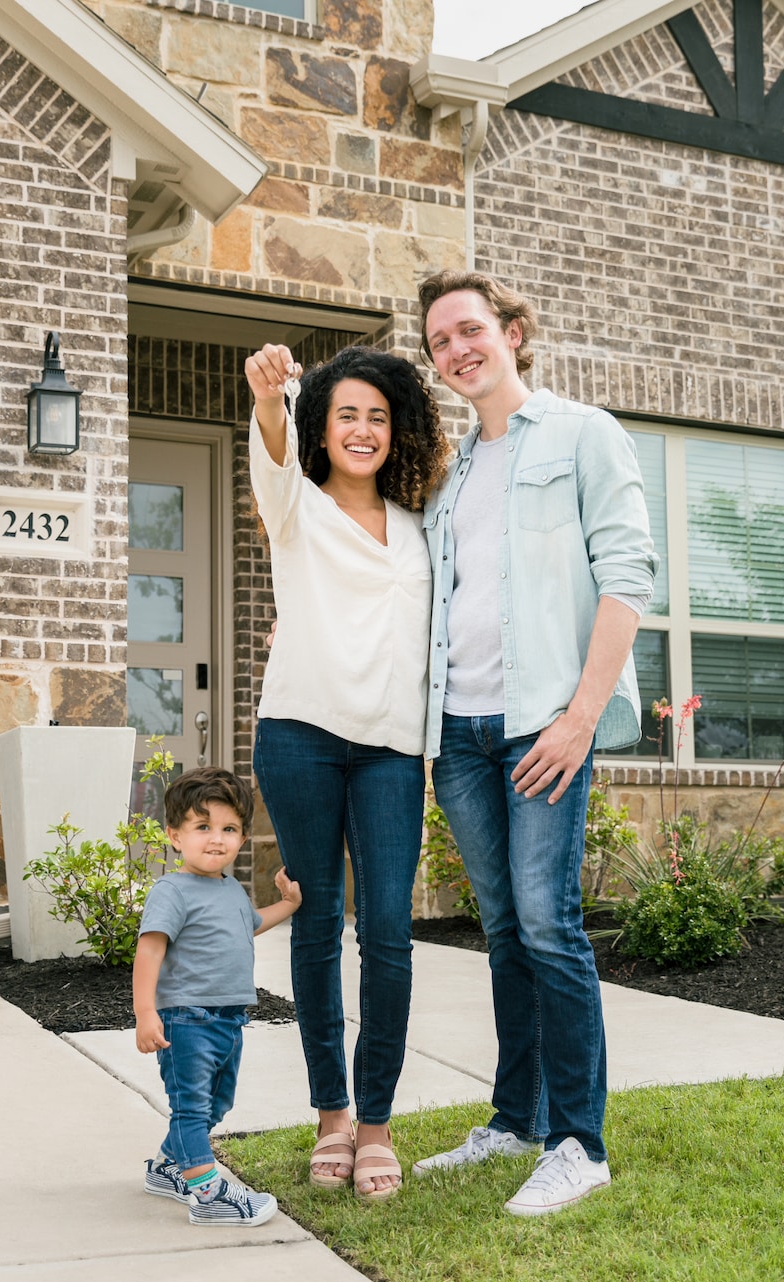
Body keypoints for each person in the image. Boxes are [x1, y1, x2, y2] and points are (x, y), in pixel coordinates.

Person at [409, 270, 656, 1217]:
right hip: (460, 733)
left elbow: (629, 572)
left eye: (469, 330)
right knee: (505, 929)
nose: (456, 350)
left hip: (545, 725)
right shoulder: (456, 471)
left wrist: (581, 714)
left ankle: (580, 1143)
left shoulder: (585, 434)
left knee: (551, 926)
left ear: (512, 332)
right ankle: (516, 1119)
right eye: (439, 341)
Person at [242, 343, 448, 1201]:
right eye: (345, 415)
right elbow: (271, 446)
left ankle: (377, 1126)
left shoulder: (418, 526)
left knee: (391, 934)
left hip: (393, 749)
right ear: (321, 430)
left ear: (394, 429)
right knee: (318, 924)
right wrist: (268, 396)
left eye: (377, 415)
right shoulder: (296, 507)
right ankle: (331, 1114)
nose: (361, 429)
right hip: (299, 735)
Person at [135, 766, 303, 1227]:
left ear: (243, 838)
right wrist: (146, 1011)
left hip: (228, 1020)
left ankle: (170, 1168)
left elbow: (250, 924)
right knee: (191, 1106)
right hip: (185, 1021)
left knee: (217, 1105)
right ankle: (207, 1193)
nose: (216, 839)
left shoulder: (230, 888)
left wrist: (287, 905)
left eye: (229, 829)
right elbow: (149, 951)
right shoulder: (171, 891)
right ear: (175, 835)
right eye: (202, 827)